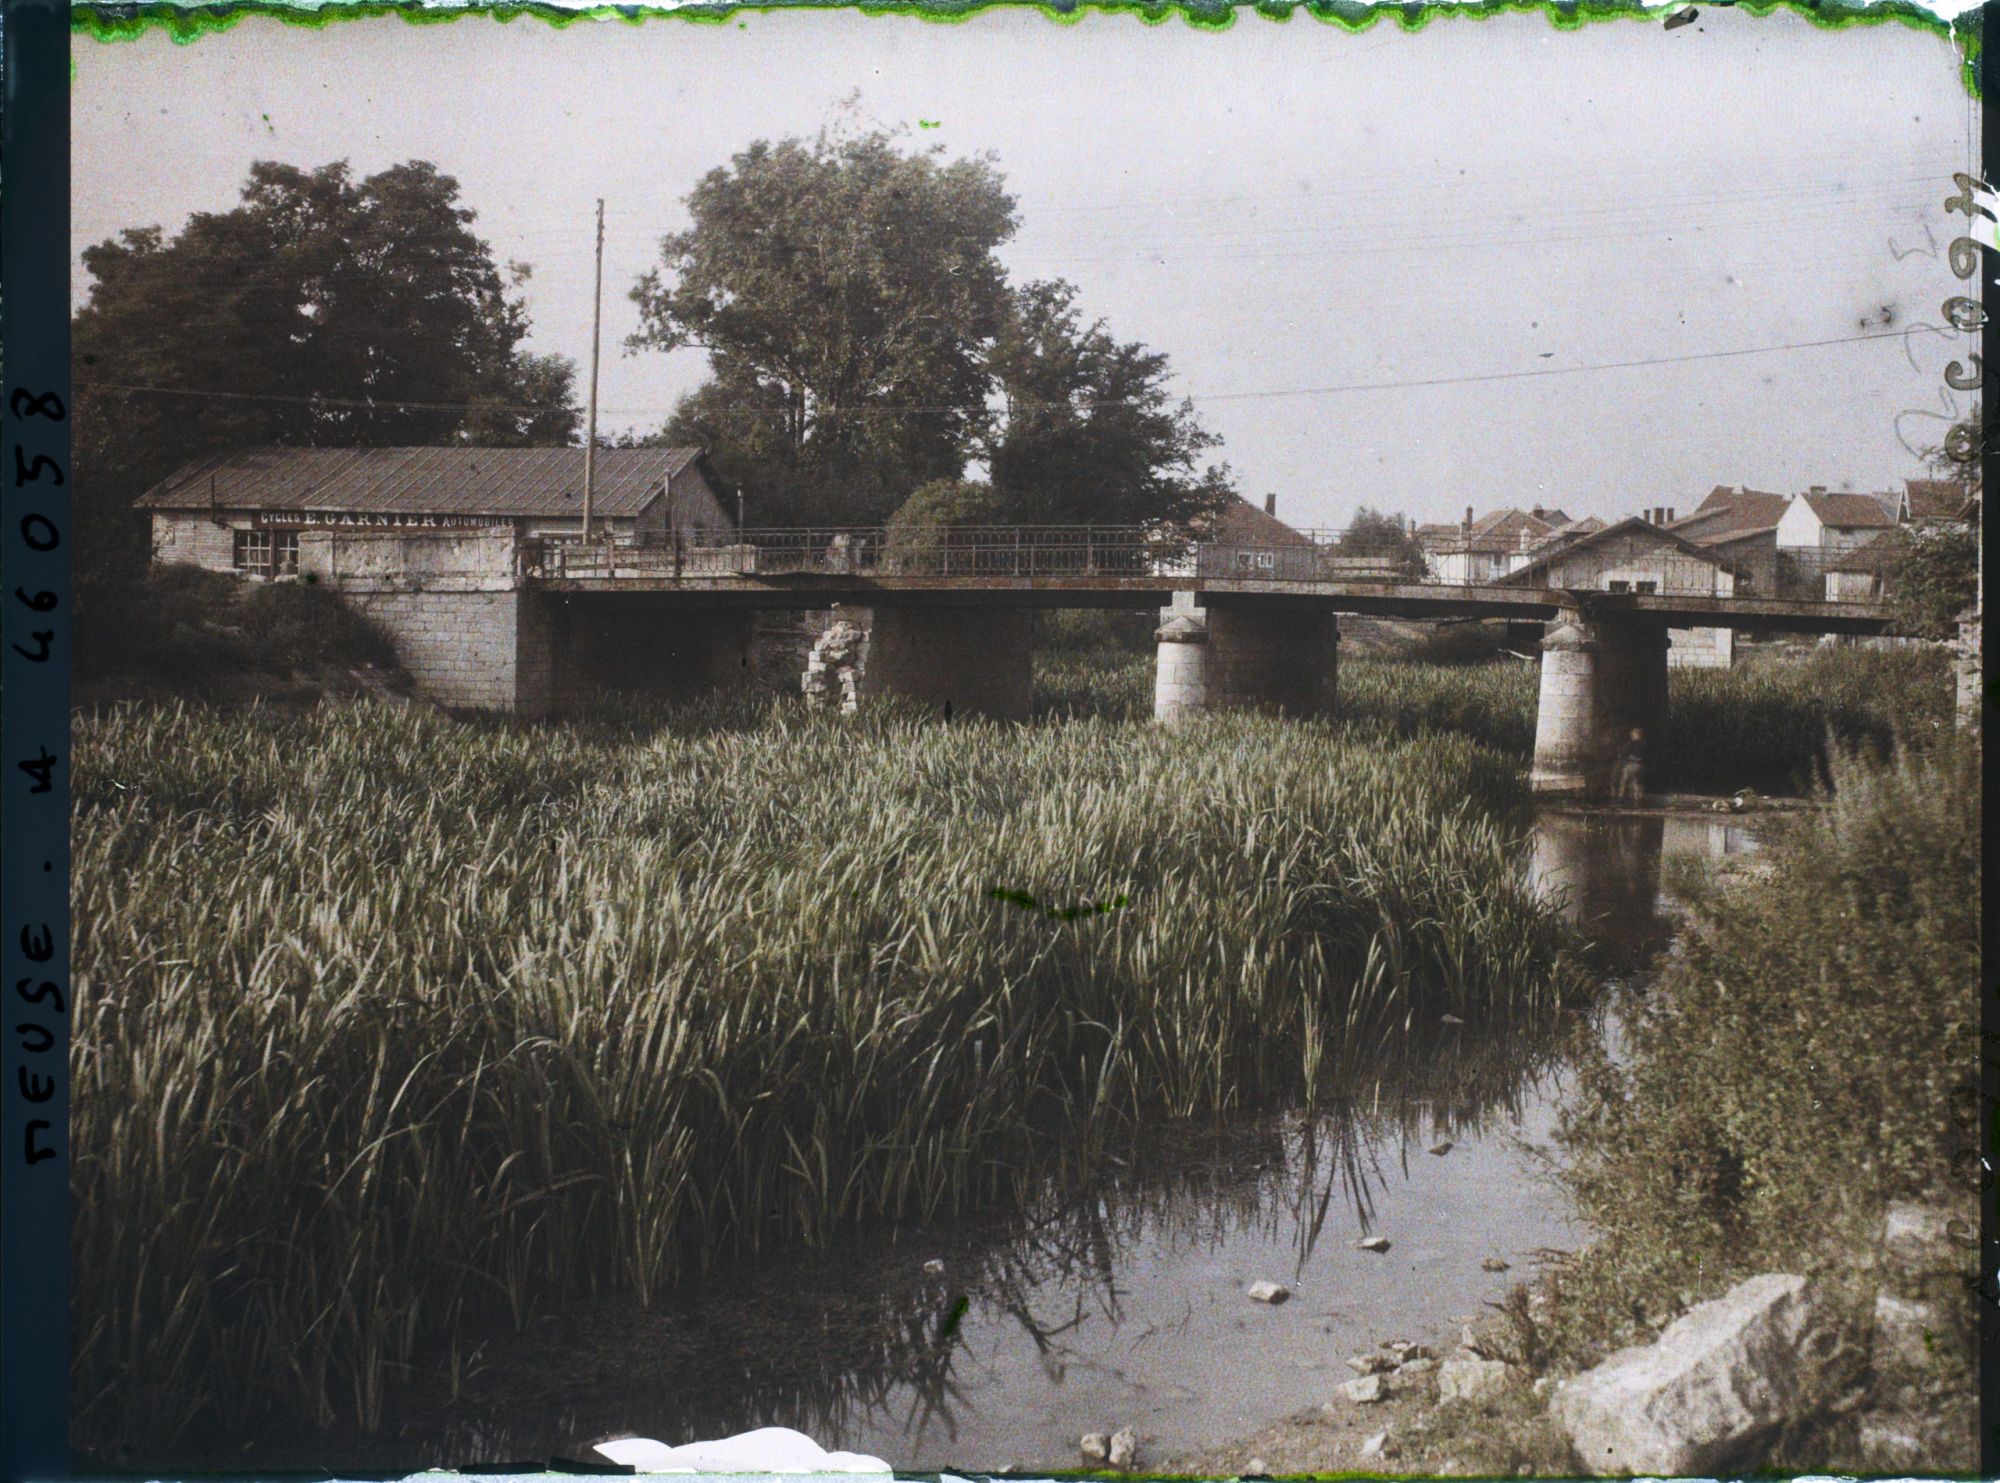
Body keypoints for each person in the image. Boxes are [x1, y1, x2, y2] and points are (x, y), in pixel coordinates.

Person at [1615, 726, 1647, 802]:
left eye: (1632, 734)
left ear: (1636, 734)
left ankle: (1620, 797)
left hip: (1632, 764)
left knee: (1624, 780)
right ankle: (1638, 798)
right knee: (1637, 781)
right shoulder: (1644, 743)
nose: (1631, 736)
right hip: (1640, 765)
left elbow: (1623, 751)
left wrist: (1621, 755)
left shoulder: (1632, 743)